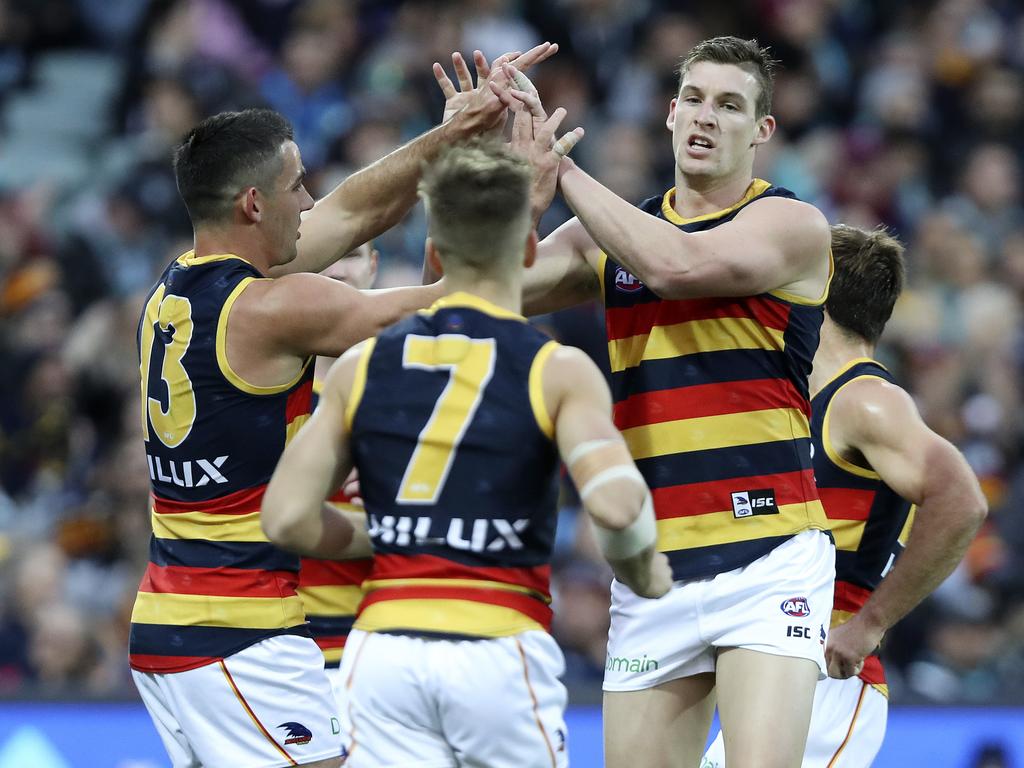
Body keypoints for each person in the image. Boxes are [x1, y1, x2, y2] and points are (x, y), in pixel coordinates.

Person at [129, 41, 557, 768]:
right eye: (297, 186)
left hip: (174, 622)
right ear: (253, 203)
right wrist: (518, 205)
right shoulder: (274, 305)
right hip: (239, 632)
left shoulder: (178, 284)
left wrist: (452, 136)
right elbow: (450, 305)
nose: (309, 200)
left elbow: (354, 210)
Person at [464, 35, 836, 767]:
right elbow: (465, 294)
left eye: (730, 106)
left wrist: (562, 164)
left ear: (762, 131)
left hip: (768, 559)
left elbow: (677, 265)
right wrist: (481, 167)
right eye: (694, 100)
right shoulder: (608, 236)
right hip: (653, 572)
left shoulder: (793, 225)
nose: (706, 117)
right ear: (668, 114)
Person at [261, 136, 672, 768]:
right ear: (531, 249)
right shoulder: (555, 371)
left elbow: (285, 517)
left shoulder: (361, 368)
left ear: (432, 253)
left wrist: (390, 535)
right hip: (496, 645)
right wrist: (647, 574)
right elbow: (617, 508)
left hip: (383, 651)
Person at [701, 225, 987, 767]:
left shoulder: (865, 400)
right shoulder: (798, 401)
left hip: (828, 683)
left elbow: (962, 500)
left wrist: (871, 624)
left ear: (817, 283)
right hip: (773, 671)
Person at [298, 241, 379, 706]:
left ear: (373, 265)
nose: (336, 269)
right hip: (286, 646)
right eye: (324, 253)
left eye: (350, 254)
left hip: (380, 644)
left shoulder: (409, 386)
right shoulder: (263, 394)